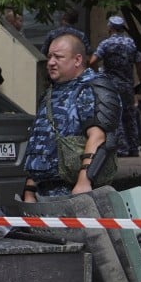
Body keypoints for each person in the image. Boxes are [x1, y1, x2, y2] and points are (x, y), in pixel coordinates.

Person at [22, 34, 121, 200]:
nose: (51, 62)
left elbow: (100, 138)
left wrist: (84, 182)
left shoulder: (93, 88)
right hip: (43, 194)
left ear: (77, 60)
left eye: (58, 57)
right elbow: (40, 143)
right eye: (49, 57)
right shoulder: (51, 93)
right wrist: (30, 189)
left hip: (75, 193)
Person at [89, 15, 141, 157]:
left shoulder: (106, 44)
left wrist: (98, 75)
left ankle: (121, 148)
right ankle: (134, 147)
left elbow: (92, 61)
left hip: (111, 85)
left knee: (115, 116)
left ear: (110, 28)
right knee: (130, 115)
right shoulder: (132, 44)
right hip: (127, 84)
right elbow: (139, 65)